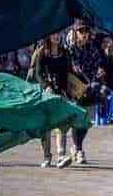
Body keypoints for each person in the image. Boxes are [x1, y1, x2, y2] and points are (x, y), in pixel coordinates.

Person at [34, 33, 79, 168]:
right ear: (48, 36)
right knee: (46, 125)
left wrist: (73, 89)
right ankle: (47, 157)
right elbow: (38, 74)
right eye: (54, 33)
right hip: (46, 94)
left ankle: (61, 155)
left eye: (59, 33)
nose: (57, 36)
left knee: (62, 124)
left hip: (62, 93)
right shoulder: (42, 52)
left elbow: (70, 72)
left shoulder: (65, 52)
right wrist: (46, 86)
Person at [68, 23, 104, 163]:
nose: (84, 33)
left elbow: (97, 65)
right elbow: (74, 68)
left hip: (91, 88)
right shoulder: (71, 49)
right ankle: (78, 149)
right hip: (76, 89)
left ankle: (77, 147)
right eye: (81, 31)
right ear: (75, 33)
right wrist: (85, 81)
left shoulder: (92, 49)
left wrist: (99, 72)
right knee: (78, 120)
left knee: (87, 121)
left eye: (86, 31)